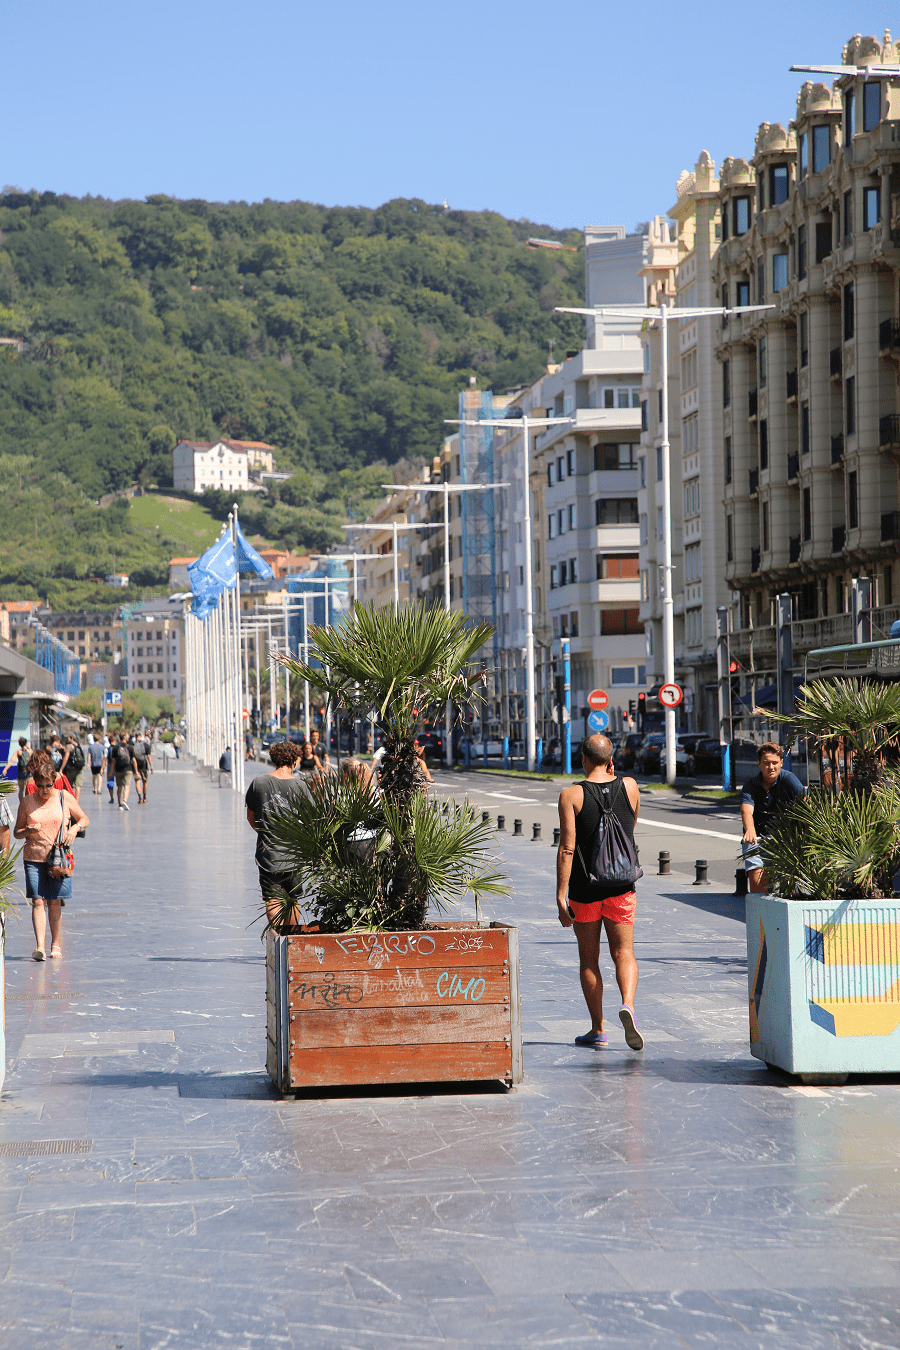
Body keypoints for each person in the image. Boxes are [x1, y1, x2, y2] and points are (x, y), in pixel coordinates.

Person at [555, 732, 644, 1051]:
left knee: (588, 958)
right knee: (624, 952)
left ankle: (598, 1029)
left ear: (582, 759)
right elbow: (629, 826)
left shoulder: (571, 795)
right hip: (622, 885)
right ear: (611, 761)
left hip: (585, 889)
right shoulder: (630, 786)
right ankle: (628, 1005)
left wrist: (561, 895)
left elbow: (567, 848)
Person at [14, 753, 89, 961]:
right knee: (38, 901)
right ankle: (40, 947)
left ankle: (55, 944)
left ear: (53, 782)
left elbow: (84, 818)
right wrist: (28, 830)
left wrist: (74, 829)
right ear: (35, 783)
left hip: (58, 858)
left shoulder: (64, 797)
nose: (44, 790)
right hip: (33, 857)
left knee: (54, 901)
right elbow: (17, 832)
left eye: (48, 785)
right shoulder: (27, 801)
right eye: (40, 786)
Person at [245, 740, 311, 929]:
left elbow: (251, 817)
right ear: (294, 761)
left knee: (272, 898)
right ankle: (289, 938)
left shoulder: (259, 782)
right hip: (295, 853)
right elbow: (310, 821)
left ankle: (277, 936)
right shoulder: (302, 786)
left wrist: (266, 832)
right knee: (293, 898)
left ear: (274, 759)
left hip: (269, 852)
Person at [741, 742, 805, 893]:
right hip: (757, 838)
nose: (771, 767)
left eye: (775, 763)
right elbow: (746, 811)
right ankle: (761, 912)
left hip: (784, 839)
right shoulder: (750, 785)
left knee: (788, 889)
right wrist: (750, 830)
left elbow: (806, 802)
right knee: (758, 886)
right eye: (766, 763)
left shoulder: (789, 779)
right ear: (759, 764)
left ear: (781, 762)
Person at [113, 734, 135, 811]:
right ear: (125, 738)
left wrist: (110, 771)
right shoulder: (130, 748)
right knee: (127, 785)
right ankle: (125, 800)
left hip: (118, 769)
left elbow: (113, 761)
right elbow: (133, 760)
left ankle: (120, 804)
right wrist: (136, 771)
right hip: (128, 769)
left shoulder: (115, 748)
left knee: (119, 787)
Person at [61, 735, 86, 802]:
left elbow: (66, 758)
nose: (66, 740)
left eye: (67, 738)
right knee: (78, 785)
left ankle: (70, 801)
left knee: (69, 785)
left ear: (72, 738)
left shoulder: (69, 746)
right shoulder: (79, 746)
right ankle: (76, 801)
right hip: (79, 767)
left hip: (71, 768)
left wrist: (61, 769)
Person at [132, 735, 153, 803]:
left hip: (136, 766)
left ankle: (140, 797)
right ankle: (144, 797)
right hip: (144, 765)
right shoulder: (145, 745)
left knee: (137, 781)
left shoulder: (133, 745)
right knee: (144, 782)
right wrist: (151, 767)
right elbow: (148, 756)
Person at [105, 733, 117, 803]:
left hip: (110, 766)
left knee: (110, 782)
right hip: (118, 766)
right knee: (119, 783)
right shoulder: (118, 748)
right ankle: (121, 797)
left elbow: (105, 758)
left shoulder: (108, 749)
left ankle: (112, 797)